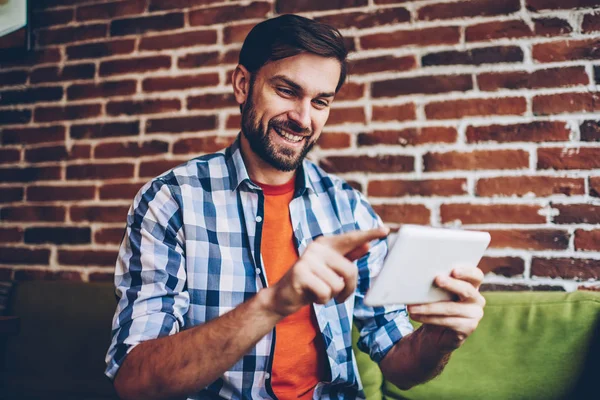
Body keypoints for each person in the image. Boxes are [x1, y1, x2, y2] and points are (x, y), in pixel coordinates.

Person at [105, 14, 486, 400]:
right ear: (243, 84)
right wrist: (274, 302)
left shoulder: (349, 208)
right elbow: (135, 381)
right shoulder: (171, 201)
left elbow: (398, 363)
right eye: (287, 91)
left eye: (320, 101)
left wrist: (437, 342)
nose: (304, 119)